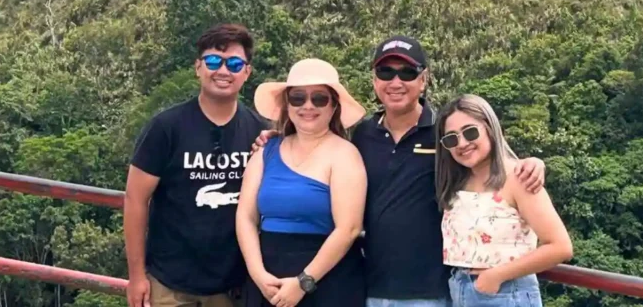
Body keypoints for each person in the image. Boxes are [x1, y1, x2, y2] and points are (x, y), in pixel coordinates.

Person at [255, 35, 547, 307]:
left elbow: (485, 161)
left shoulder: (443, 134)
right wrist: (275, 138)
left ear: (424, 80)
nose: (396, 81)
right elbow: (317, 151)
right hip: (370, 285)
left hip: (432, 290)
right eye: (385, 73)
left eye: (406, 73)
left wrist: (532, 162)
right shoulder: (362, 136)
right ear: (374, 80)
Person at [123, 23, 271, 307]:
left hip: (232, 287)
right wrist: (136, 275)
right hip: (169, 284)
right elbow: (135, 199)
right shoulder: (166, 128)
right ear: (198, 67)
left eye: (235, 63)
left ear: (247, 72)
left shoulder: (259, 131)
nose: (224, 71)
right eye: (214, 61)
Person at [237, 58, 368, 307]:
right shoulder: (266, 152)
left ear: (333, 107)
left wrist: (303, 282)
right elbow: (245, 216)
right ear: (287, 104)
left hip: (328, 283)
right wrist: (258, 275)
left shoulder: (345, 155)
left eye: (319, 98)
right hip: (267, 282)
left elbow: (348, 228)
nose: (308, 106)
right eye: (298, 97)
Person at [436, 94, 573, 307]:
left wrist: (496, 276)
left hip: (505, 293)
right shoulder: (458, 182)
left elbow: (560, 246)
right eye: (451, 139)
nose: (462, 143)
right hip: (461, 289)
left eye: (470, 132)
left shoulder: (519, 177)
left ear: (490, 128)